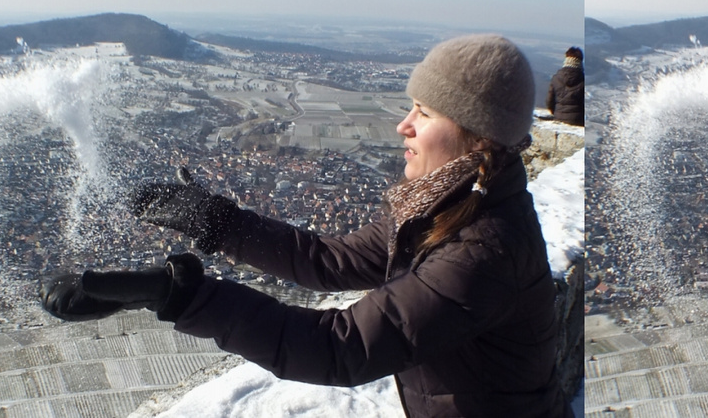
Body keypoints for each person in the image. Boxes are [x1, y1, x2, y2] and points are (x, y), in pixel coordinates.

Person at [41, 34, 565, 417]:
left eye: (423, 112)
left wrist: (178, 296)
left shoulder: (484, 251)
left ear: (476, 135)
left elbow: (338, 349)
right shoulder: (440, 202)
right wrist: (220, 223)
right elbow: (329, 261)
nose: (403, 124)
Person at [546, 47, 584, 126]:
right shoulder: (582, 79)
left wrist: (557, 112)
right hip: (578, 121)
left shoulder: (556, 78)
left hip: (558, 118)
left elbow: (549, 101)